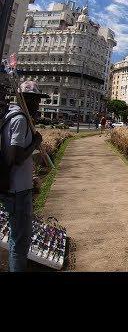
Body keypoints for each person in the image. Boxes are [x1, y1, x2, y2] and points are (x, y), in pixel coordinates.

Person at [0, 81, 45, 272]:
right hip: (18, 191)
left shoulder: (11, 116)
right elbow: (15, 156)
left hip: (16, 188)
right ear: (25, 100)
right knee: (20, 243)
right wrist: (35, 143)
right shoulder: (20, 119)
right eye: (34, 100)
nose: (37, 105)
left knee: (16, 238)